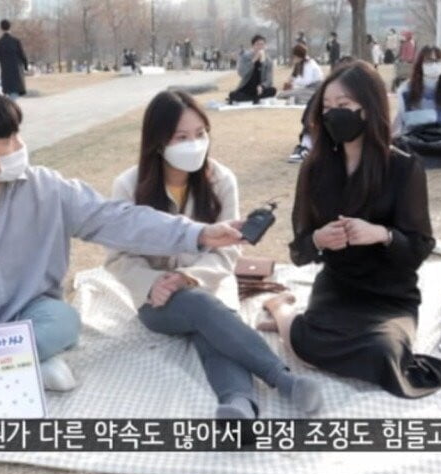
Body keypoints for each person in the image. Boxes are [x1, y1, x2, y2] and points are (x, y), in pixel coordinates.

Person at [0, 93, 242, 400]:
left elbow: (115, 219)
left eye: (18, 133)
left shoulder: (47, 188)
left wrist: (197, 234)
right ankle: (21, 365)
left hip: (27, 316)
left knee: (63, 322)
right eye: (8, 140)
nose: (20, 145)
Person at [107, 90, 313, 419]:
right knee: (201, 307)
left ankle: (239, 406)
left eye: (200, 133)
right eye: (182, 137)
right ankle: (282, 379)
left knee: (212, 327)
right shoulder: (128, 186)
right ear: (158, 141)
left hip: (212, 287)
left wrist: (189, 277)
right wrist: (154, 283)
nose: (194, 144)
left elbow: (229, 249)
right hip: (157, 300)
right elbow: (118, 257)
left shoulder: (222, 180)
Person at [267, 59, 441, 396]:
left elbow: (419, 246)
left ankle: (289, 319)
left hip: (390, 294)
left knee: (384, 354)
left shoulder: (403, 167)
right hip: (338, 287)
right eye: (327, 107)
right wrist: (319, 239)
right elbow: (300, 250)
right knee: (308, 346)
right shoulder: (314, 169)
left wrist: (382, 235)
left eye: (344, 105)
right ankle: (281, 310)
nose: (333, 114)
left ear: (369, 108)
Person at [229, 34, 276, 104]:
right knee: (232, 95)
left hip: (259, 88)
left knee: (273, 90)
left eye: (262, 44)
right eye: (258, 44)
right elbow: (241, 73)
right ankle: (255, 98)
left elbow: (269, 80)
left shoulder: (268, 61)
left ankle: (253, 98)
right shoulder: (245, 57)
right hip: (247, 87)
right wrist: (254, 60)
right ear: (253, 46)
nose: (260, 47)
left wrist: (262, 86)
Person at [0, 17, 28, 91]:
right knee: (15, 91)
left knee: (8, 91)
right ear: (10, 27)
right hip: (15, 69)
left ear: (1, 28)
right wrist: (25, 66)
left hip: (5, 70)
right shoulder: (15, 41)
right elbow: (22, 55)